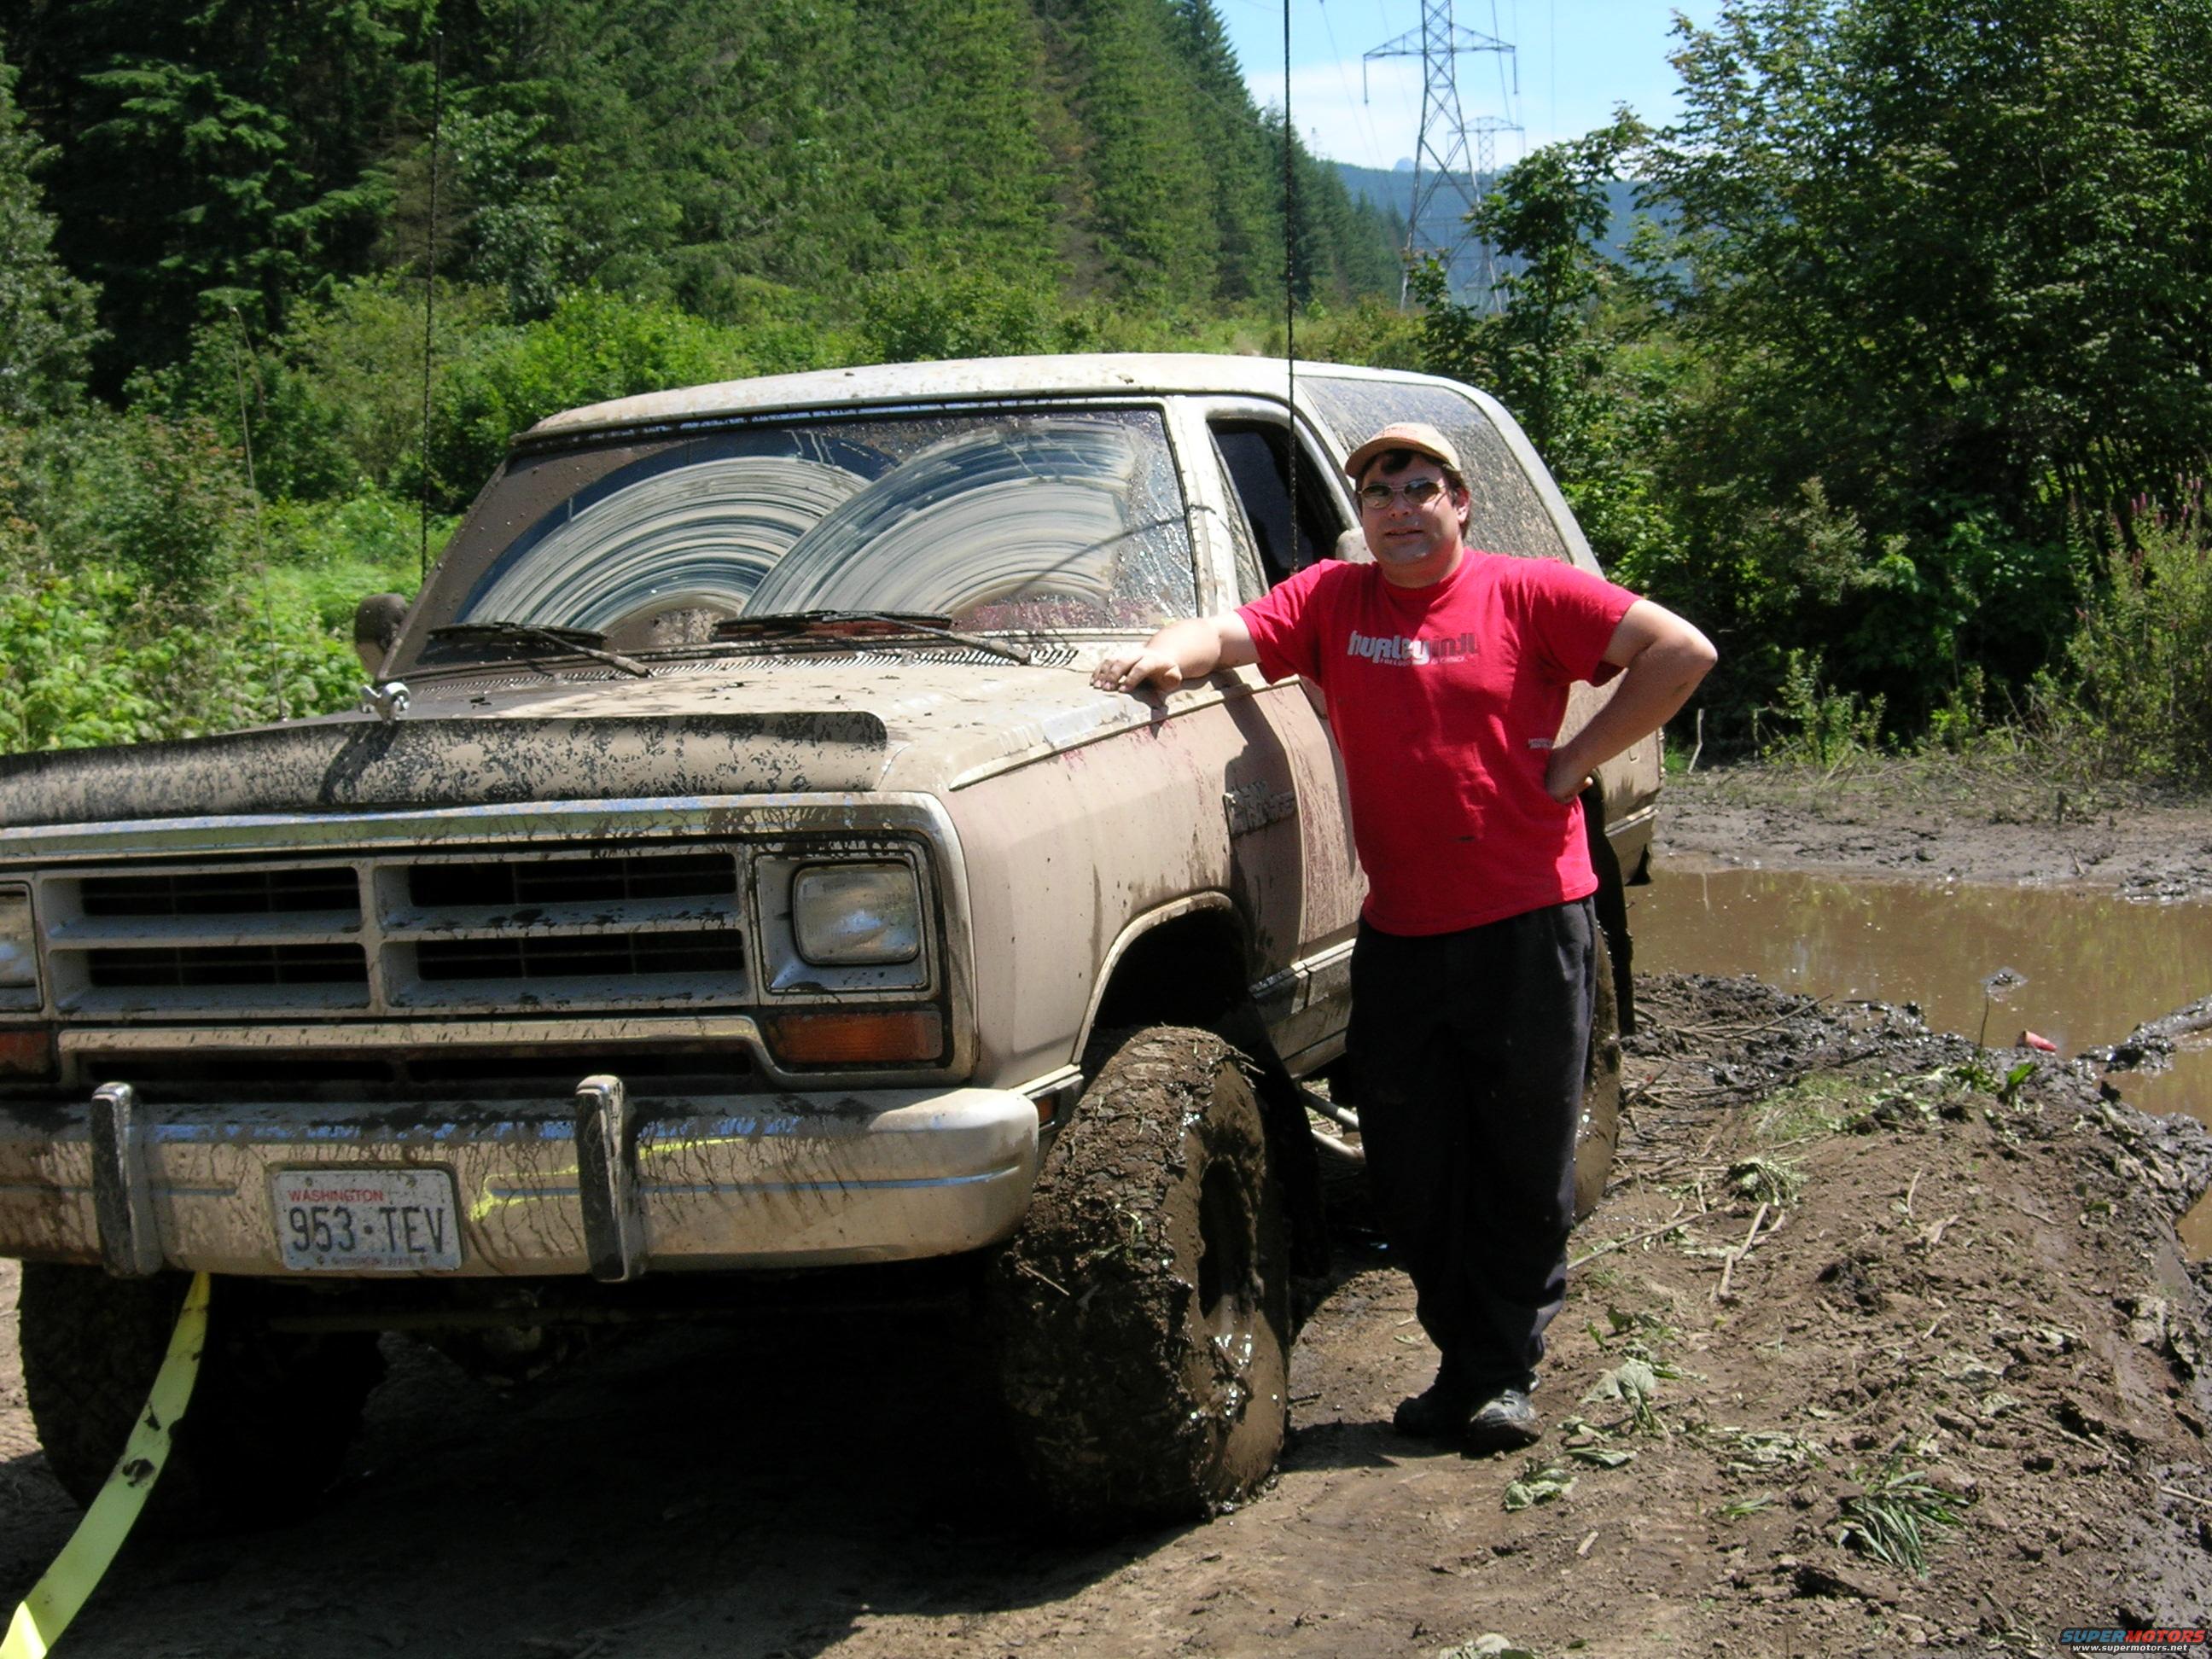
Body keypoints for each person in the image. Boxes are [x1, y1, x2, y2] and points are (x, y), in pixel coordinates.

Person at [1092, 421, 1715, 1451]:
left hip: (1528, 922)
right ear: (1362, 515)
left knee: (1521, 1159)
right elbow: (1229, 634)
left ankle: (1500, 1374)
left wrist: (1573, 762)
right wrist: (1163, 657)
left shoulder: (1529, 592)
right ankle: (1462, 1360)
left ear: (1458, 501)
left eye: (1420, 487)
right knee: (1413, 1170)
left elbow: (1681, 651)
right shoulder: (1335, 600)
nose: (1399, 507)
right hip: (1401, 932)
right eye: (1379, 493)